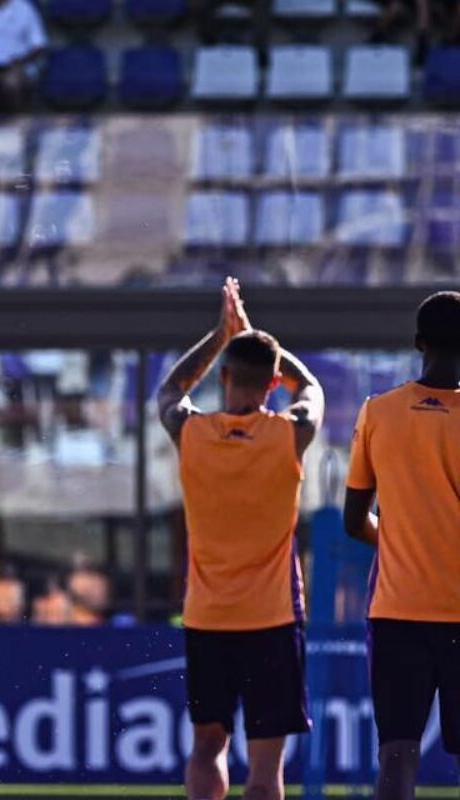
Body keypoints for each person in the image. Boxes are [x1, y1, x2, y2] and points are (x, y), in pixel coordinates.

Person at [157, 277, 324, 800]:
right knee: (266, 767)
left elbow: (171, 390)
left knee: (207, 747)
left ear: (224, 376)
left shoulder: (193, 433)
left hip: (207, 618)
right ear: (272, 384)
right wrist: (253, 334)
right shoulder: (286, 435)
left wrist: (220, 334)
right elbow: (312, 390)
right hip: (272, 619)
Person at [344, 291, 460, 800]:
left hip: (397, 614)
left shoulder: (378, 412)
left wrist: (394, 541)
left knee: (396, 758)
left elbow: (354, 519)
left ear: (418, 344)